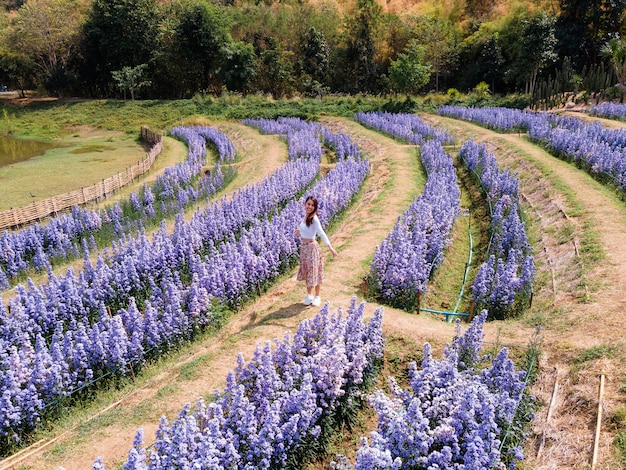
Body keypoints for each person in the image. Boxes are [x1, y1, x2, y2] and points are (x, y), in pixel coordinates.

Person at [294, 196, 337, 306]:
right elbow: (306, 230)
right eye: (308, 204)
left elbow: (321, 232)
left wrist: (330, 247)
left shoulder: (314, 218)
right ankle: (309, 295)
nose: (310, 207)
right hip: (304, 248)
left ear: (315, 207)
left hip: (312, 248)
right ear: (305, 204)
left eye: (312, 205)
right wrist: (299, 231)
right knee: (307, 271)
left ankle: (317, 296)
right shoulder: (306, 216)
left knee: (315, 271)